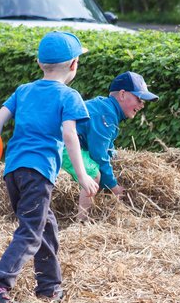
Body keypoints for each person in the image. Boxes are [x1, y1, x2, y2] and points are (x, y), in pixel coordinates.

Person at [0, 31, 98, 303]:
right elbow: (69, 136)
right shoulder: (70, 96)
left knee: (46, 225)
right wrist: (82, 176)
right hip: (39, 172)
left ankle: (49, 287)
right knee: (31, 231)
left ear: (40, 63)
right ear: (74, 64)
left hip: (14, 170)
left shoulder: (24, 90)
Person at [64, 71, 159, 215]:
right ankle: (82, 222)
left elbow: (106, 145)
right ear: (122, 94)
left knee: (98, 171)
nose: (142, 105)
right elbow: (99, 155)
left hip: (69, 141)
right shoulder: (106, 116)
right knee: (93, 174)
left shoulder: (106, 109)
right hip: (61, 143)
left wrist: (113, 155)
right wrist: (113, 187)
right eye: (139, 99)